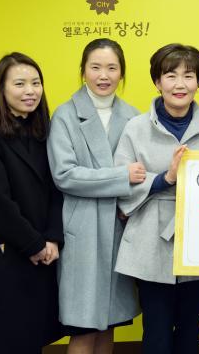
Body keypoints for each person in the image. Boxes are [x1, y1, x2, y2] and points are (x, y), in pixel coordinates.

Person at [113, 43, 199, 354]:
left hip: (196, 243)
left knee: (191, 332)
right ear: (157, 82)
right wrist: (166, 178)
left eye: (189, 75)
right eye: (171, 75)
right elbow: (120, 184)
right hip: (149, 242)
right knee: (156, 334)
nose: (180, 84)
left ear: (198, 82)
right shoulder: (135, 128)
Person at [47, 38, 141, 353]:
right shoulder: (65, 115)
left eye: (112, 68)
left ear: (122, 73)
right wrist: (121, 177)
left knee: (109, 324)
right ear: (83, 71)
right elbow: (65, 175)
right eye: (95, 67)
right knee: (84, 327)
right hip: (83, 231)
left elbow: (143, 174)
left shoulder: (134, 117)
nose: (104, 75)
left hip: (120, 229)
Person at [0, 52, 63, 353]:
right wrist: (34, 244)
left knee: (32, 336)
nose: (30, 91)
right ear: (2, 89)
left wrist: (52, 238)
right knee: (5, 337)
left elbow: (57, 189)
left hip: (42, 251)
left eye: (36, 83)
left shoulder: (43, 132)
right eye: (19, 84)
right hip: (6, 254)